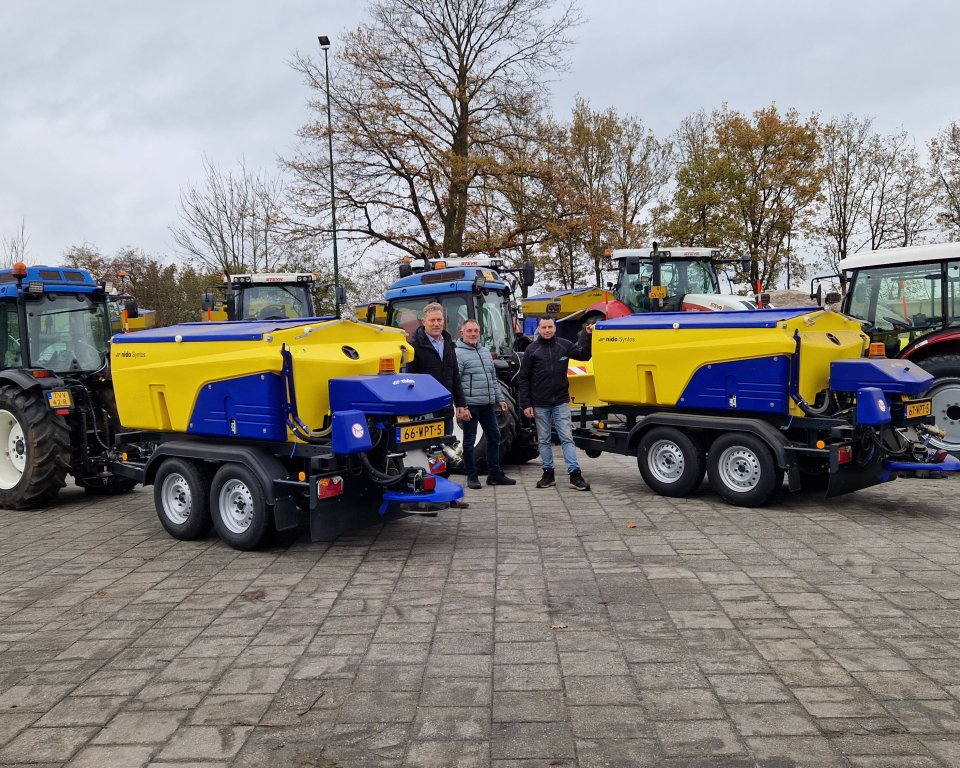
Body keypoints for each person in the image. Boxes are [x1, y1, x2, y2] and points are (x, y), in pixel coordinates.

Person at [517, 313, 593, 491]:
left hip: (560, 401)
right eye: (544, 327)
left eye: (550, 327)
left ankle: (575, 475)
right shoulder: (532, 350)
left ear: (555, 327)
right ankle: (548, 474)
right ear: (539, 329)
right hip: (539, 403)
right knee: (544, 440)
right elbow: (524, 378)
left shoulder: (564, 345)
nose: (547, 330)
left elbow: (584, 355)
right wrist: (526, 404)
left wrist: (589, 336)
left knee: (567, 438)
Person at [407, 302, 470, 508]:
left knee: (446, 453)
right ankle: (425, 499)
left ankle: (445, 495)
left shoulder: (449, 343)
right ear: (424, 322)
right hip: (425, 410)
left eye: (439, 320)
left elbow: (455, 377)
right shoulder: (415, 346)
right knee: (425, 453)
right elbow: (410, 380)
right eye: (432, 320)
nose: (436, 324)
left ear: (444, 322)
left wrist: (460, 404)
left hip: (445, 409)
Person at [454, 318, 517, 490]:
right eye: (469, 331)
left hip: (488, 404)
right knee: (469, 441)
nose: (473, 334)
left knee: (495, 437)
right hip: (471, 405)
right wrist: (462, 406)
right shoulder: (458, 354)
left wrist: (500, 399)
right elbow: (456, 383)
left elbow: (492, 379)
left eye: (476, 331)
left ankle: (494, 474)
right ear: (462, 333)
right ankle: (472, 476)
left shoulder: (484, 352)